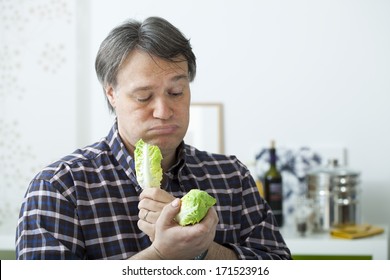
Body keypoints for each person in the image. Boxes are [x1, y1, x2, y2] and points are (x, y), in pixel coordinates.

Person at [15, 16, 292, 260]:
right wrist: (161, 254)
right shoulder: (60, 187)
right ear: (111, 93)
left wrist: (205, 250)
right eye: (144, 96)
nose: (163, 111)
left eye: (176, 93)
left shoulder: (232, 177)